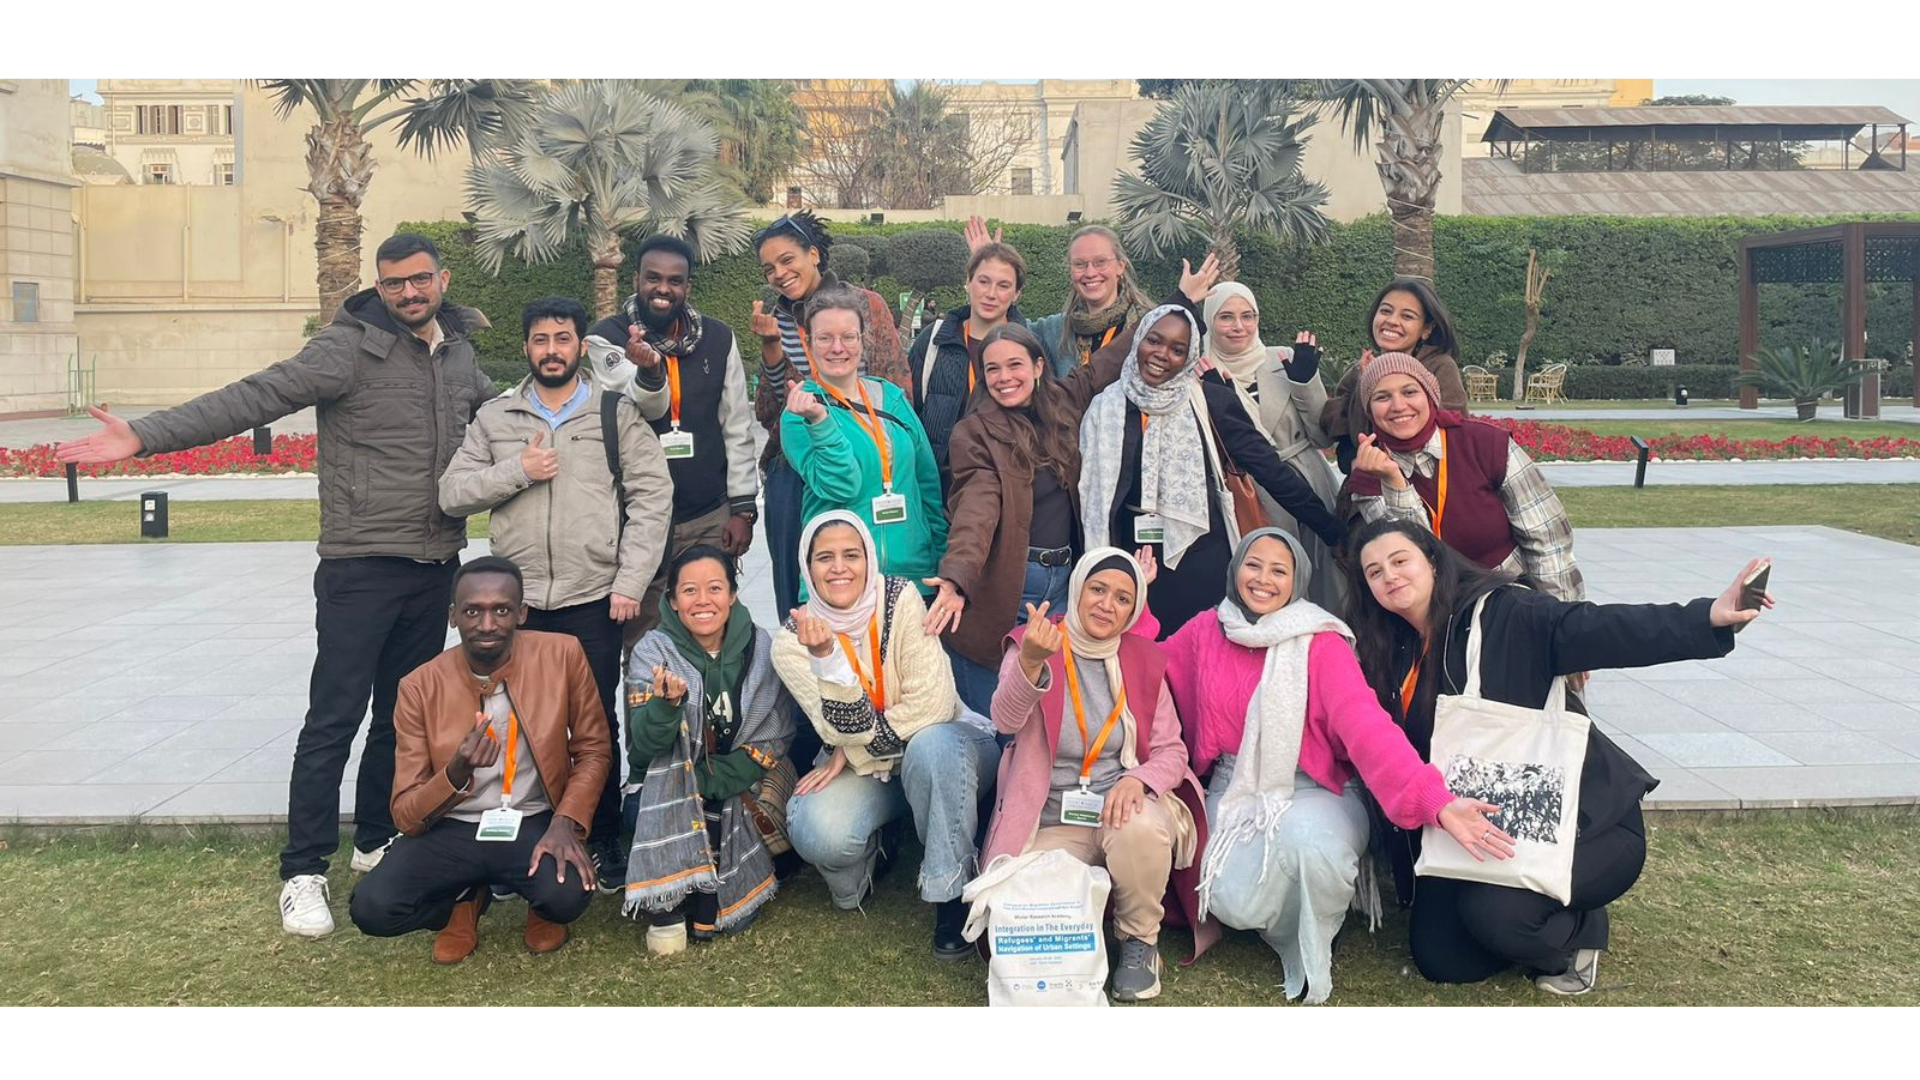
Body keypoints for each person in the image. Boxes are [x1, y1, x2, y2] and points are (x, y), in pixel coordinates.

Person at [53, 232, 500, 938]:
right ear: (378, 286)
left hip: (434, 564)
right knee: (333, 720)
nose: (408, 293)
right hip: (359, 567)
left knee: (401, 717)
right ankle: (303, 869)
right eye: (394, 283)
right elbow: (252, 397)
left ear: (442, 279)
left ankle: (376, 837)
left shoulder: (458, 353)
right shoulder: (345, 350)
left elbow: (505, 420)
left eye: (419, 279)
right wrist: (145, 435)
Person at [1346, 518, 1771, 995]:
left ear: (1433, 560)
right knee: (1441, 958)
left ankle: (1579, 930)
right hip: (1485, 827)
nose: (1390, 576)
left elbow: (1598, 627)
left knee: (1495, 915)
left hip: (1583, 826)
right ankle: (1507, 910)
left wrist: (1707, 615)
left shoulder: (1505, 613)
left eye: (1400, 560)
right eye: (1375, 572)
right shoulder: (1391, 649)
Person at [1163, 527, 1508, 1003]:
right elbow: (1148, 667)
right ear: (1235, 569)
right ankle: (1283, 914)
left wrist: (1435, 801)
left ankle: (1318, 924)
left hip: (1318, 787)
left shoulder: (1320, 642)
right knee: (1229, 898)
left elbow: (1367, 726)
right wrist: (1122, 612)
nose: (1263, 579)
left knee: (1310, 844)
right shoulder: (1207, 630)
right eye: (1253, 565)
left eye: (1279, 570)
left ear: (1298, 581)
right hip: (1235, 785)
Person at [438, 295, 673, 891]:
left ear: (580, 346)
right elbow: (453, 493)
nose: (551, 350)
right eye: (540, 340)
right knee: (514, 720)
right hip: (515, 609)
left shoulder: (613, 413)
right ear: (526, 347)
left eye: (562, 339)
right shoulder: (496, 417)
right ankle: (516, 834)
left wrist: (630, 581)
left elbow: (653, 498)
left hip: (592, 596)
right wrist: (517, 470)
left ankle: (601, 835)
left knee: (594, 725)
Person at [347, 557, 613, 964]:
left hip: (533, 818)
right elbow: (405, 814)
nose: (487, 624)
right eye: (473, 611)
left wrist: (565, 822)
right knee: (373, 909)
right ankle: (463, 899)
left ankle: (541, 909)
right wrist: (456, 771)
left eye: (501, 610)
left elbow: (593, 749)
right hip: (453, 826)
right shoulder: (419, 686)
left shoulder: (562, 655)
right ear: (453, 616)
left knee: (567, 896)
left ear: (522, 613)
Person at [985, 547, 1211, 1003]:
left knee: (1140, 827)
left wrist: (1138, 780)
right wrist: (1031, 663)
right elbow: (1005, 721)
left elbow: (1171, 750)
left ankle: (1139, 940)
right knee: (1011, 909)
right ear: (1078, 590)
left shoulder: (1143, 658)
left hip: (1120, 810)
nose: (1107, 605)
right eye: (1098, 590)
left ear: (1134, 608)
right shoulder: (1034, 643)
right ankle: (1082, 933)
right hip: (1050, 818)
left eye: (1123, 598)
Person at [771, 511, 998, 960]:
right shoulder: (793, 642)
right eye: (825, 558)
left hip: (944, 750)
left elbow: (934, 705)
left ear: (869, 558)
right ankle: (877, 850)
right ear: (807, 567)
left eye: (851, 555)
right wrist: (827, 658)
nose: (839, 568)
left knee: (931, 745)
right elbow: (838, 727)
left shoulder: (901, 597)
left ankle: (950, 894)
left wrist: (851, 749)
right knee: (818, 832)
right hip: (873, 770)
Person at [1079, 304, 1347, 637]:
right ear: (1138, 341)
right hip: (1130, 556)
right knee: (1142, 652)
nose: (1162, 354)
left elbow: (1270, 470)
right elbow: (1088, 492)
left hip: (1200, 555)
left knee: (1203, 649)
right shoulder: (1105, 407)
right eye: (1154, 341)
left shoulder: (1210, 400)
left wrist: (1335, 533)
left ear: (1189, 356)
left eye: (1178, 349)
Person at [583, 235, 762, 637]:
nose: (663, 289)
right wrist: (649, 371)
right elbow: (648, 406)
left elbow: (736, 426)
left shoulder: (719, 338)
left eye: (674, 281)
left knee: (710, 630)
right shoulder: (607, 337)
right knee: (645, 636)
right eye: (653, 278)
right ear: (636, 280)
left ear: (687, 287)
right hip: (638, 519)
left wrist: (743, 510)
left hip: (707, 514)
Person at [624, 545, 796, 954]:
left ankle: (707, 884)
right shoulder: (652, 652)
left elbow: (776, 734)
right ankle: (676, 896)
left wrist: (705, 782)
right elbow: (643, 751)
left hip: (737, 780)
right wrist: (666, 708)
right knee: (649, 810)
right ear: (672, 600)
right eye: (689, 591)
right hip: (667, 782)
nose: (703, 600)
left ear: (733, 594)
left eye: (715, 588)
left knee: (753, 810)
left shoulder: (759, 646)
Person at [749, 211, 910, 619]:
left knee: (867, 579)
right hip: (797, 464)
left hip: (866, 458)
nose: (779, 274)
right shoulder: (776, 320)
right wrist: (771, 350)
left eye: (787, 260)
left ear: (814, 254)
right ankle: (801, 653)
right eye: (769, 269)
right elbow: (769, 413)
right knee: (796, 590)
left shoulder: (866, 305)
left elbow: (896, 386)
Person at [1345, 352, 1584, 602]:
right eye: (1382, 397)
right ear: (1369, 409)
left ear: (1430, 395)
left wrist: (1558, 613)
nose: (1398, 406)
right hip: (1433, 607)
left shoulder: (1486, 443)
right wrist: (1394, 482)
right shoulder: (1369, 474)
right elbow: (1416, 557)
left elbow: (1548, 541)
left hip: (1510, 596)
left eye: (1409, 392)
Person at [780, 287, 948, 605]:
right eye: (825, 338)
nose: (838, 348)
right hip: (842, 583)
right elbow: (840, 484)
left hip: (913, 580)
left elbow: (927, 486)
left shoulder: (891, 398)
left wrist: (941, 562)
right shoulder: (800, 412)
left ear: (862, 340)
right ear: (808, 344)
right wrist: (821, 421)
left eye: (848, 337)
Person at [1201, 283, 1344, 611]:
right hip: (1252, 492)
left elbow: (1322, 438)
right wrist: (1222, 401)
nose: (1239, 326)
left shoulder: (1283, 359)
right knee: (1271, 580)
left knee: (1329, 579)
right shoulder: (1201, 371)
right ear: (1209, 321)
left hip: (1310, 482)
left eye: (1248, 316)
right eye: (1226, 317)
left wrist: (1305, 381)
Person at [906, 240, 1027, 486]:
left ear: (1016, 294)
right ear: (968, 283)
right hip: (942, 487)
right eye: (983, 281)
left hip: (1008, 483)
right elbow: (911, 414)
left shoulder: (1030, 347)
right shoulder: (933, 341)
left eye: (1003, 285)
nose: (991, 294)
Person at [1321, 279, 1470, 474]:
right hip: (1366, 483)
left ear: (1427, 329)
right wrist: (1365, 385)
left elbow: (1454, 428)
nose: (1392, 321)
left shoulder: (1440, 366)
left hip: (1424, 480)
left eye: (1407, 316)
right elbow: (1340, 432)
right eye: (1385, 311)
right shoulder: (1360, 370)